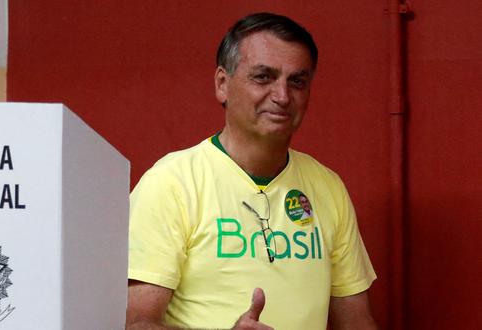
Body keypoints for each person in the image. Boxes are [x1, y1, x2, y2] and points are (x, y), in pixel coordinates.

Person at [126, 12, 377, 329]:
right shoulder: (172, 182)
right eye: (263, 77)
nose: (283, 96)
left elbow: (357, 322)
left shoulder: (327, 186)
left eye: (297, 81)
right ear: (222, 84)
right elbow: (135, 323)